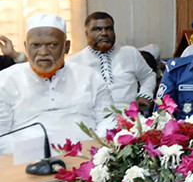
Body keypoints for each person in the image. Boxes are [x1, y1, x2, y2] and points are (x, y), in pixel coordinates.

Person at [0, 14, 113, 154]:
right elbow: (2, 134)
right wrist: (31, 154)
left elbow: (107, 120)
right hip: (26, 159)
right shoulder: (5, 80)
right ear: (26, 47)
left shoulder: (91, 77)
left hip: (85, 156)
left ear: (66, 47)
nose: (43, 52)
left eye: (52, 45)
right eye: (35, 45)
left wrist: (94, 150)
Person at [68, 12, 156, 111]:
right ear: (86, 33)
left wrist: (144, 95)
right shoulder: (74, 62)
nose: (104, 33)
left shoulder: (130, 53)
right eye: (97, 29)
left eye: (109, 28)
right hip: (92, 116)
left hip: (128, 115)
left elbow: (148, 76)